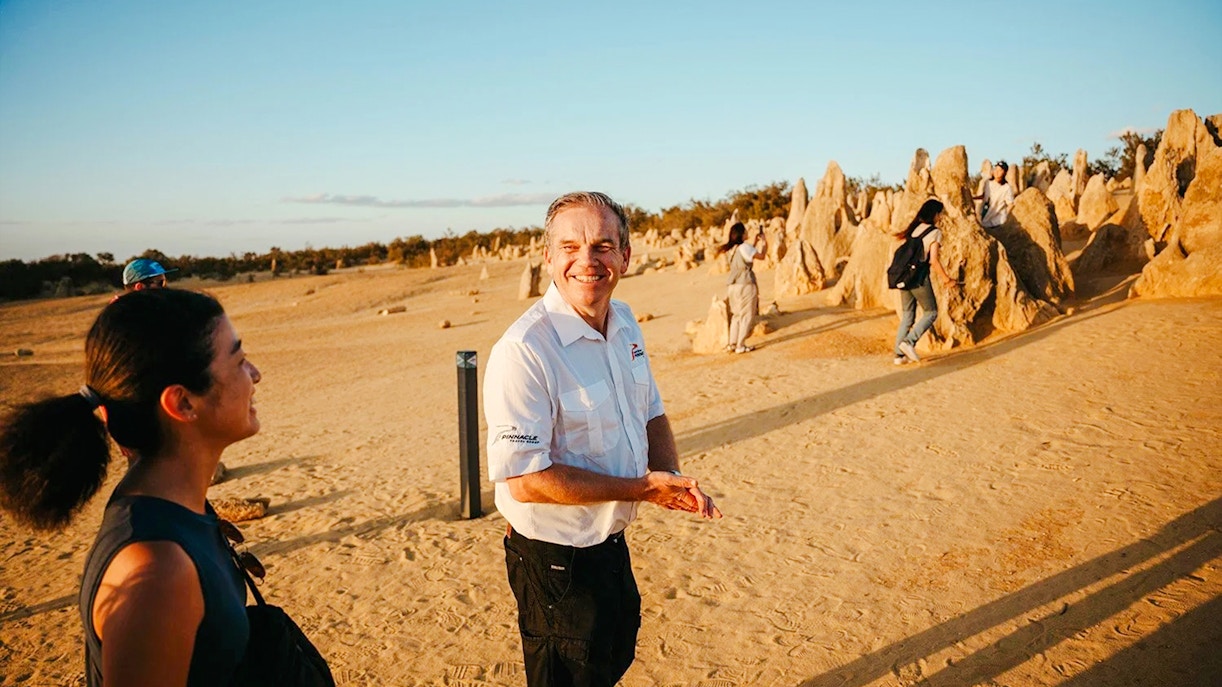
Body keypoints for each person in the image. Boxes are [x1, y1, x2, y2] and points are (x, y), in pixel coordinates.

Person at [484, 191, 722, 687]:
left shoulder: (627, 322)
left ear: (626, 257)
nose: (586, 261)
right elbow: (526, 481)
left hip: (611, 543)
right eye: (569, 247)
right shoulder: (524, 351)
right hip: (554, 560)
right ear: (548, 257)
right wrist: (642, 490)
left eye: (603, 246)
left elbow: (650, 408)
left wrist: (670, 478)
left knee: (612, 655)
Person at [0, 288, 262, 686]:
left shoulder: (176, 509)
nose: (255, 374)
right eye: (239, 360)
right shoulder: (156, 572)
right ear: (183, 403)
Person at [893, 198, 956, 365]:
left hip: (905, 278)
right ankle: (909, 342)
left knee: (907, 315)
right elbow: (933, 260)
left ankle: (899, 356)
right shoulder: (935, 232)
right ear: (934, 214)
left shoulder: (914, 229)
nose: (941, 217)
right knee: (931, 312)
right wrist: (947, 279)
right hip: (919, 278)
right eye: (940, 213)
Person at [718, 222, 766, 354]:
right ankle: (741, 345)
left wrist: (755, 242)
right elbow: (761, 256)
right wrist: (764, 243)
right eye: (745, 231)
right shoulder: (745, 247)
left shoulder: (732, 249)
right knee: (747, 315)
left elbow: (747, 256)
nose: (747, 232)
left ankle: (732, 343)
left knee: (737, 315)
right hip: (745, 284)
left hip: (733, 286)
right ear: (741, 234)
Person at [974, 160, 1015, 228]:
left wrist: (1003, 217)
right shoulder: (987, 182)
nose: (997, 172)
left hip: (996, 223)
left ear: (1004, 173)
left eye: (1000, 170)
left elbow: (1011, 204)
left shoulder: (1006, 188)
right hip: (984, 220)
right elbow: (982, 196)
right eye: (996, 169)